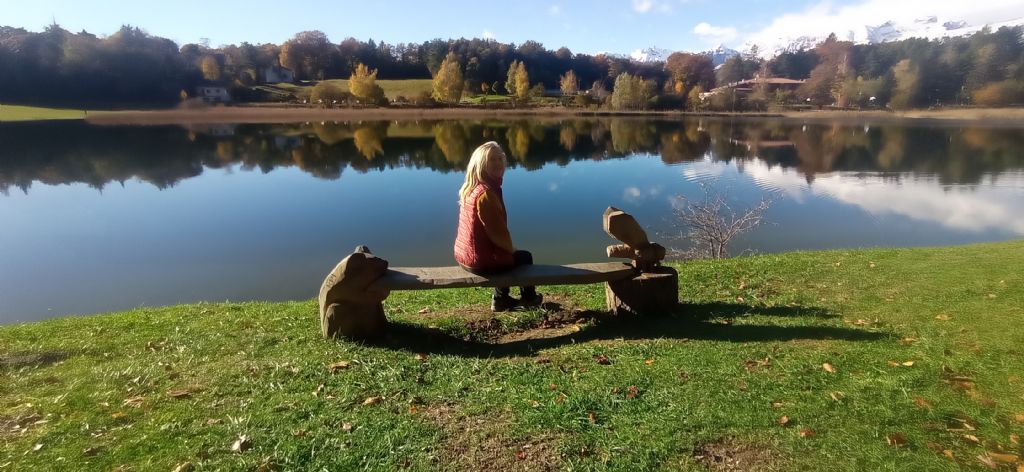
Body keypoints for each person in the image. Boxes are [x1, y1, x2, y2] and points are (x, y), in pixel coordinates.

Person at [454, 141, 542, 312]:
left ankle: (502, 299)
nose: (498, 163)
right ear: (480, 164)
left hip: (464, 255)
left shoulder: (471, 188)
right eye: (491, 159)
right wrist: (511, 249)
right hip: (479, 261)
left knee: (506, 255)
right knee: (524, 257)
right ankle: (528, 299)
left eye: (500, 158)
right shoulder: (486, 194)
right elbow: (498, 235)